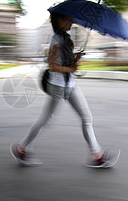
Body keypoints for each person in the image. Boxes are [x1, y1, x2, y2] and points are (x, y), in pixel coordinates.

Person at [11, 12, 118, 168]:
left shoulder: (67, 40)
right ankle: (22, 149)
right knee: (46, 119)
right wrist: (71, 68)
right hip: (57, 86)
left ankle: (97, 156)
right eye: (68, 18)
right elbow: (52, 66)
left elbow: (67, 63)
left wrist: (76, 59)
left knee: (86, 117)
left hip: (71, 84)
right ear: (58, 20)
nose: (71, 21)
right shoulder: (56, 40)